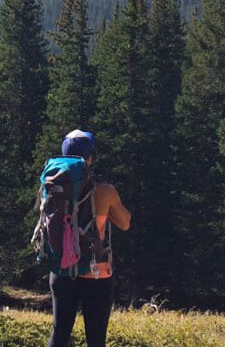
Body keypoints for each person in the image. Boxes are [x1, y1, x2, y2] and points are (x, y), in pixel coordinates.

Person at [45, 130, 130, 347]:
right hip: (96, 273)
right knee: (95, 339)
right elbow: (125, 223)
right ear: (89, 158)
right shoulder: (105, 191)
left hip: (62, 269)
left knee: (59, 333)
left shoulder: (52, 186)